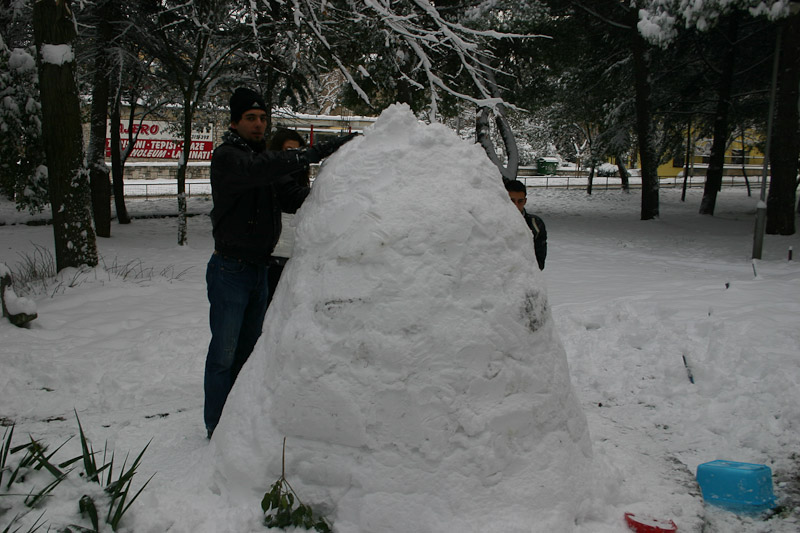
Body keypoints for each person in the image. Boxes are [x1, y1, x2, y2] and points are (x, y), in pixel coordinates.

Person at [204, 87, 356, 439]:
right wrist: (316, 151)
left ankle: (235, 421)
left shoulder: (263, 163)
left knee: (248, 353)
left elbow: (292, 197)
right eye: (250, 119)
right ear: (235, 122)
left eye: (262, 119)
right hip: (230, 270)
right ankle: (216, 427)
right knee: (223, 356)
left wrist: (342, 191)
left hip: (260, 270)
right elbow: (263, 168)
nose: (258, 125)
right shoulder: (230, 157)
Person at [265, 128, 310, 307]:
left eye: (297, 151)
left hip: (291, 255)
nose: (293, 156)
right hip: (271, 256)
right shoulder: (271, 176)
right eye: (288, 150)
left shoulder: (298, 178)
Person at [505, 179, 547, 270]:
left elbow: (539, 263)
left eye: (520, 201)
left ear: (525, 201)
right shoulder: (493, 223)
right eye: (512, 201)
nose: (516, 205)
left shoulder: (535, 224)